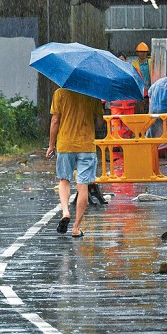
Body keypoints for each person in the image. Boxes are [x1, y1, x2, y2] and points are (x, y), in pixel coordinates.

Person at [45, 87, 105, 238]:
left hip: (65, 144)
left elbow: (55, 120)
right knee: (82, 184)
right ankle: (76, 228)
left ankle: (65, 212)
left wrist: (51, 145)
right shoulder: (93, 93)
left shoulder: (59, 93)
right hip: (86, 146)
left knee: (64, 180)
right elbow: (99, 123)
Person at [130, 42, 152, 113]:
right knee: (140, 112)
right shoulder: (133, 65)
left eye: (144, 52)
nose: (142, 53)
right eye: (140, 52)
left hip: (150, 91)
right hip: (139, 93)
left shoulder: (152, 63)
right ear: (137, 52)